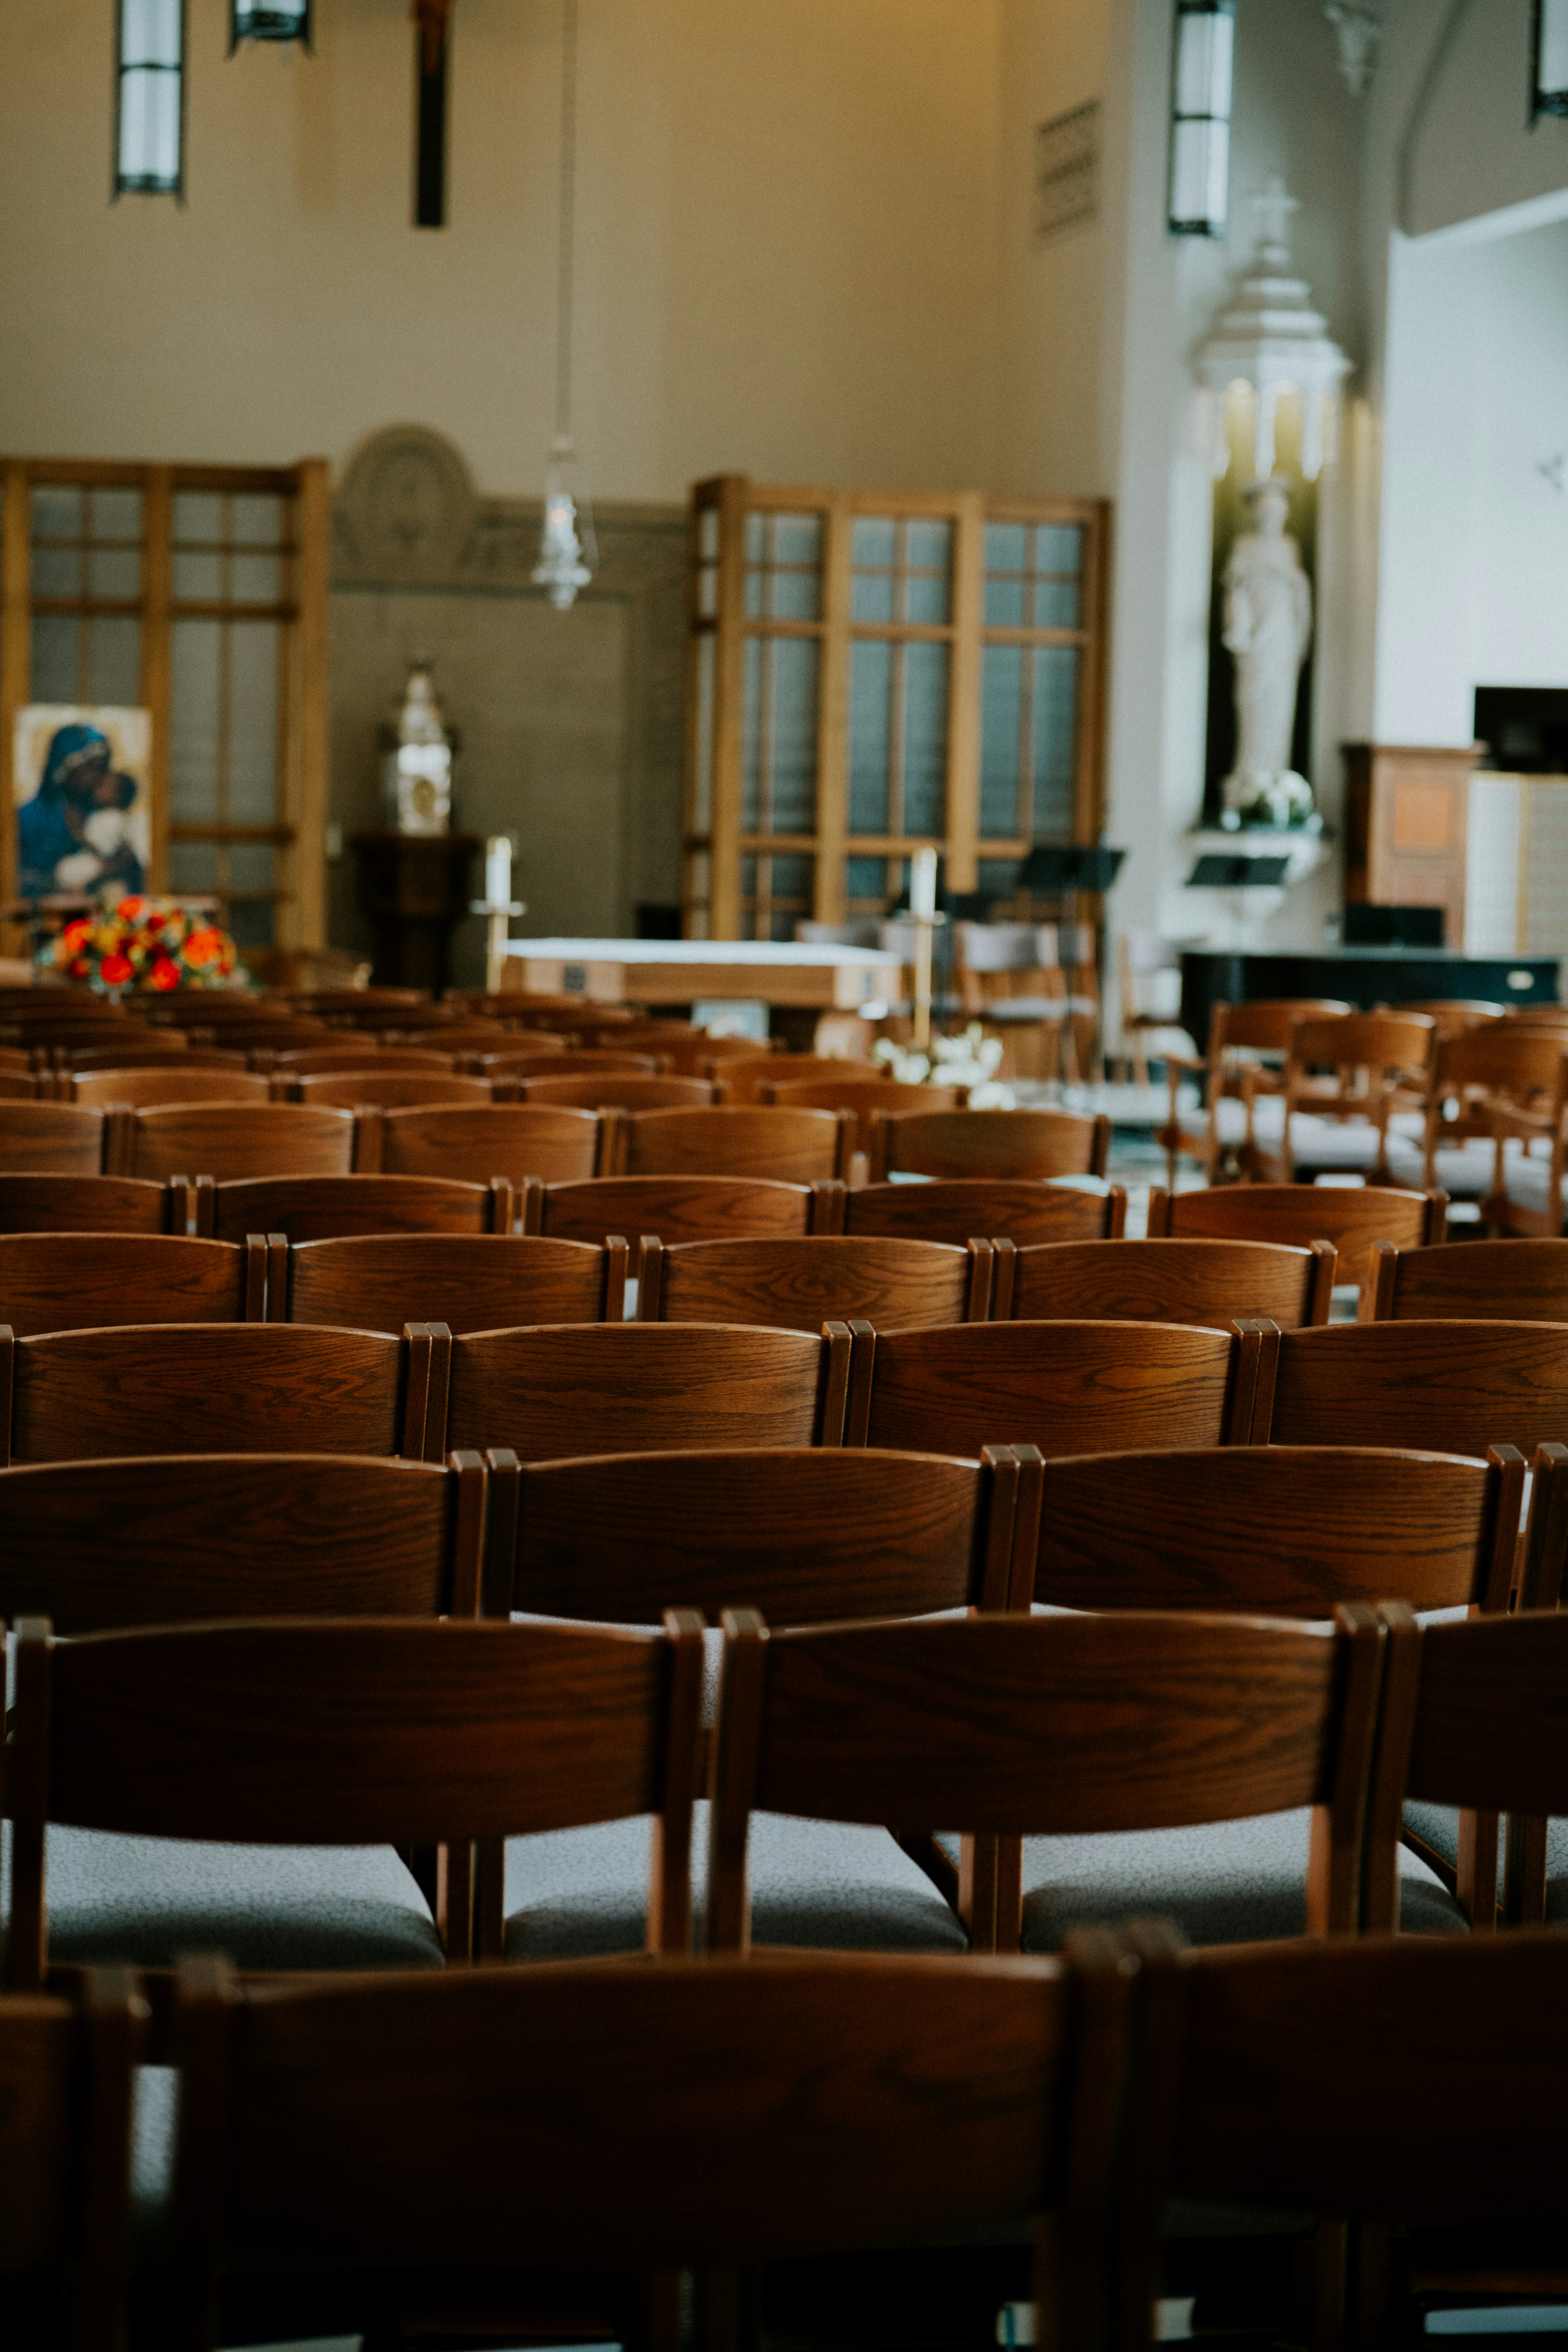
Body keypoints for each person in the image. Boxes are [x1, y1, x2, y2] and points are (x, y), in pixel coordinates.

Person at [1220, 476, 1314, 825]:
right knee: (1253, 703)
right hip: (1257, 643)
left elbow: (1301, 594)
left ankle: (1275, 775)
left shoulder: (1289, 547)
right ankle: (1248, 778)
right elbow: (1236, 591)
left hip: (1282, 642)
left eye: (1278, 511)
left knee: (1278, 710)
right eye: (1266, 511)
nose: (1271, 517)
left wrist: (1289, 578)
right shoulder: (1245, 546)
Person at [17, 723, 147, 899]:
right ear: (65, 767)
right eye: (93, 765)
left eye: (104, 765)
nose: (101, 774)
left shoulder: (105, 814)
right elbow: (20, 877)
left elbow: (131, 868)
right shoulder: (29, 817)